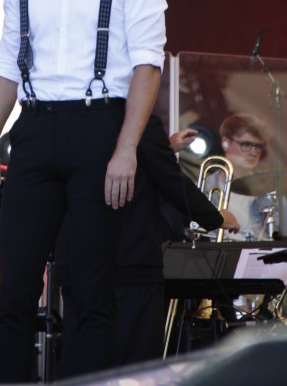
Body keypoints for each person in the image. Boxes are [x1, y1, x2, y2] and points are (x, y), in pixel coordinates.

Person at [0, 0, 168, 382]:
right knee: (15, 289)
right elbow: (7, 64)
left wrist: (126, 148)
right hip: (35, 129)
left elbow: (148, 65)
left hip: (99, 126)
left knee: (91, 290)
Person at [55, 118, 240, 373]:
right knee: (136, 364)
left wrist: (164, 147)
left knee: (82, 357)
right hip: (129, 261)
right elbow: (171, 180)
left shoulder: (64, 117)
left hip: (77, 261)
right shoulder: (135, 120)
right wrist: (215, 217)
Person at [206, 113, 273, 241]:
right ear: (226, 143)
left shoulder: (270, 188)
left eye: (258, 146)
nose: (253, 152)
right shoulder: (205, 188)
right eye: (246, 145)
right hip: (216, 252)